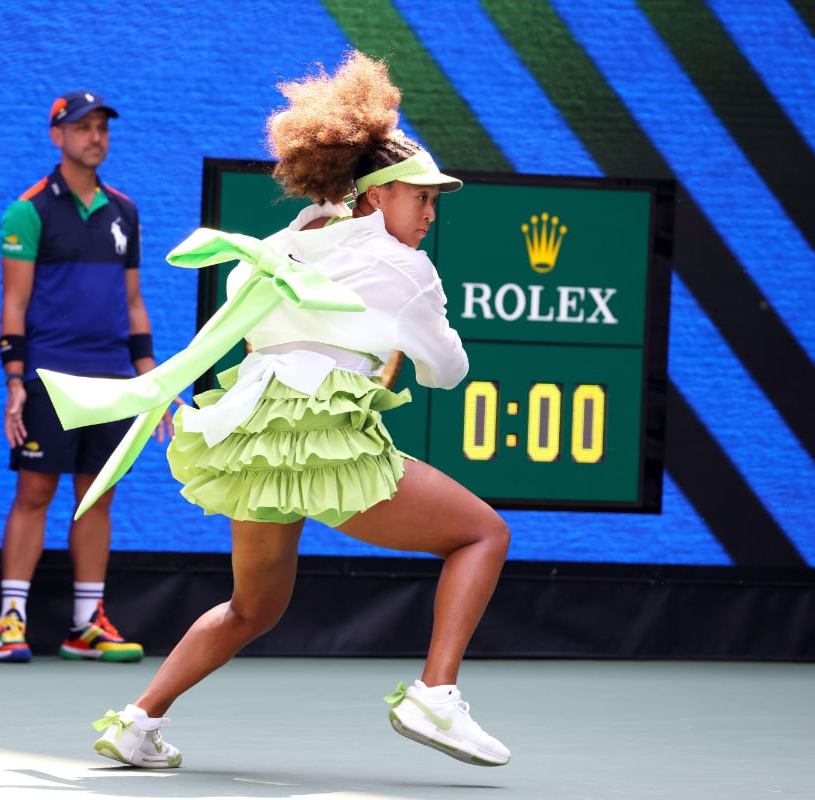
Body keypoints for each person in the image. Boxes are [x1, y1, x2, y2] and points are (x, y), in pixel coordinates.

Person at [50, 51, 511, 768]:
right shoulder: (404, 266)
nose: (429, 211)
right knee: (482, 535)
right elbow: (448, 371)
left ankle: (137, 722)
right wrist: (413, 334)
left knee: (253, 607)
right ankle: (436, 695)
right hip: (317, 439)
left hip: (253, 437)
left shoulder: (288, 241)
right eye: (419, 196)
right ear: (375, 196)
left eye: (433, 200)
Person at [0, 89, 173, 664]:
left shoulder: (125, 212)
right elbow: (14, 304)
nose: (95, 136)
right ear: (58, 136)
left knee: (97, 495)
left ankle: (85, 624)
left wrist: (152, 383)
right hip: (49, 379)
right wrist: (15, 381)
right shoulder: (28, 210)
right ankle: (10, 620)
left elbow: (134, 303)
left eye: (102, 128)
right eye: (83, 127)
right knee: (36, 491)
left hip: (113, 380)